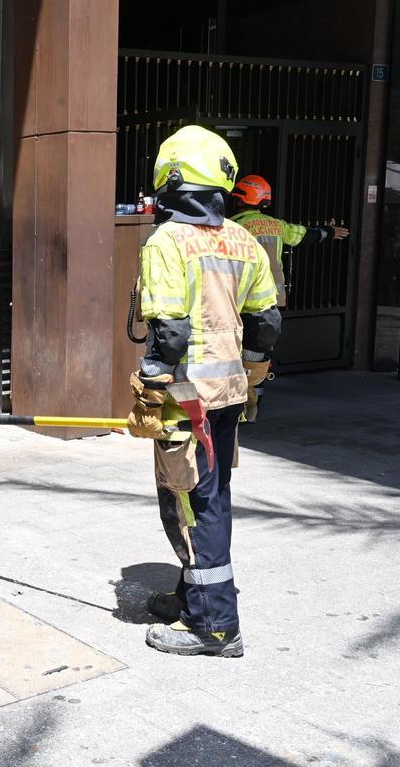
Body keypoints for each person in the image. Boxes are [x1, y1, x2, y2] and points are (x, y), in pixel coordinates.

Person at [127, 125, 281, 657]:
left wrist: (148, 389)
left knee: (190, 503)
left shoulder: (168, 240)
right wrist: (254, 376)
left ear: (171, 179)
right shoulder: (242, 239)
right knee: (209, 494)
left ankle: (214, 626)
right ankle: (192, 595)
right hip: (229, 394)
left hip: (185, 399)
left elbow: (169, 332)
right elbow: (266, 321)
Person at [230, 174, 350, 421]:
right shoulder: (276, 225)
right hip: (272, 298)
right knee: (260, 356)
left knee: (234, 351)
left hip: (240, 297)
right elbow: (302, 234)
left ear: (240, 200)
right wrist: (328, 232)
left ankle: (234, 405)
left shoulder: (233, 226)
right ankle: (252, 407)